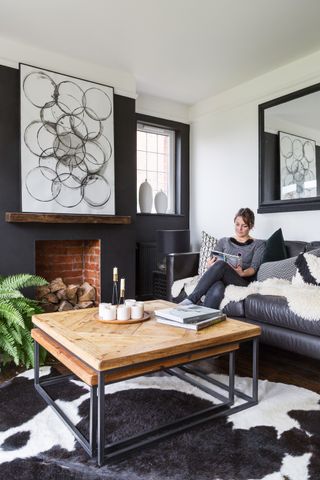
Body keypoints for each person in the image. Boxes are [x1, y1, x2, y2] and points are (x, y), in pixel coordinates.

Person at [181, 208, 265, 309]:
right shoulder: (223, 242)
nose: (240, 229)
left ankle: (191, 299)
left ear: (251, 226)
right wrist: (209, 265)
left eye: (244, 226)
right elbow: (213, 259)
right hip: (220, 278)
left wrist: (241, 273)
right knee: (217, 286)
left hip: (241, 280)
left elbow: (253, 268)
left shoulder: (258, 244)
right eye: (237, 224)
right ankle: (205, 317)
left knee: (221, 265)